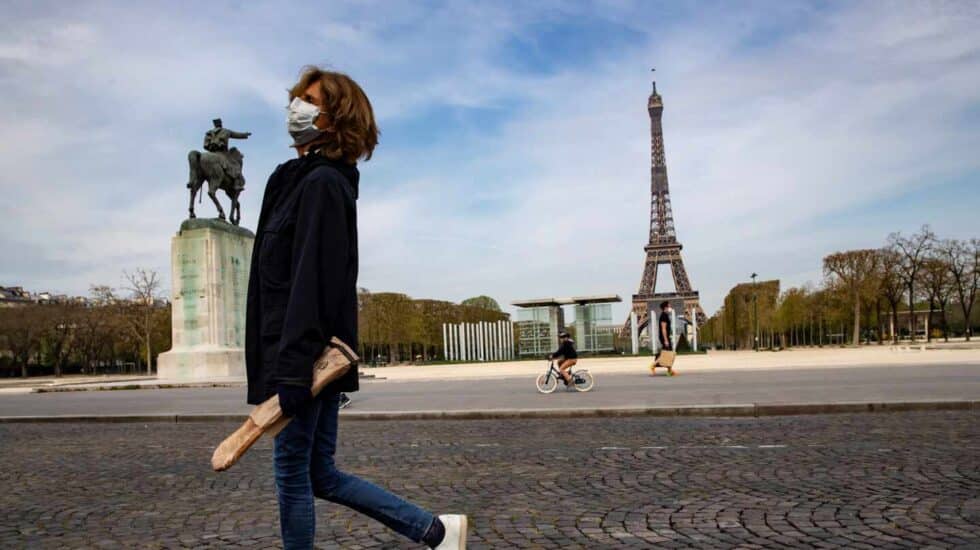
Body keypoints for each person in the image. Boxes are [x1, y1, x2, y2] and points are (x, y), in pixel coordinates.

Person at [244, 66, 467, 550]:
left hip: (301, 359)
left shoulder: (322, 183)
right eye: (296, 97)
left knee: (292, 476)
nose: (295, 107)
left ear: (335, 117)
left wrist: (291, 373)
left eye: (308, 99)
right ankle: (436, 532)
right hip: (301, 352)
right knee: (319, 474)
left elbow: (311, 282)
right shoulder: (293, 180)